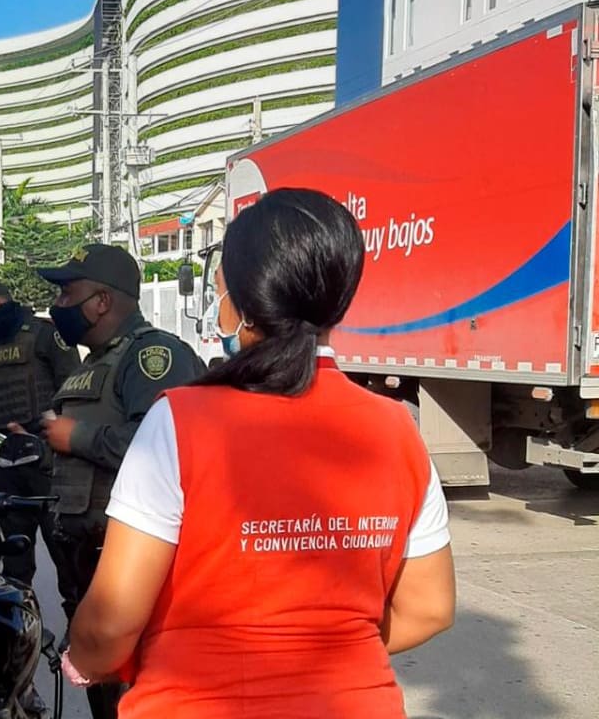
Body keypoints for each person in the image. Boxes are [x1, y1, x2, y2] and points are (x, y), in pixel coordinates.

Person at [64, 189, 456, 717]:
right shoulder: (396, 429)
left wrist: (82, 662)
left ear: (242, 303)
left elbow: (109, 624)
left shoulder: (180, 421)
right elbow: (429, 608)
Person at [34, 243, 204, 719]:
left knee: (137, 694)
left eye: (70, 292)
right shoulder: (96, 363)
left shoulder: (154, 355)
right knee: (105, 694)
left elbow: (165, 446)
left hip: (126, 563)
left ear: (102, 301)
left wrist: (76, 436)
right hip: (86, 562)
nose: (59, 305)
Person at [0, 277, 79, 585]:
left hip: (48, 464)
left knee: (67, 558)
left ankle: (78, 630)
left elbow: (75, 393)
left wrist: (40, 428)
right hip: (4, 467)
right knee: (14, 564)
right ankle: (19, 628)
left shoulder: (45, 335)